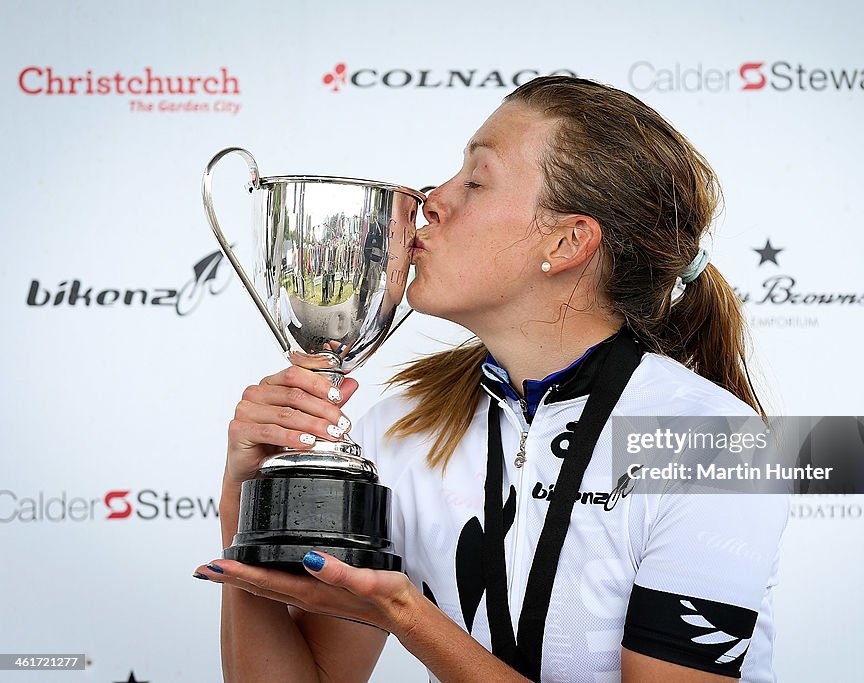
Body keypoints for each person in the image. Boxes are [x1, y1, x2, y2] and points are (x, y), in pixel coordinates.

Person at [194, 76, 788, 683]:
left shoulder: (713, 442)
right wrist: (246, 511)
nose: (432, 198)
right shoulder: (399, 430)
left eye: (475, 181)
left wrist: (407, 615)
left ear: (567, 240)